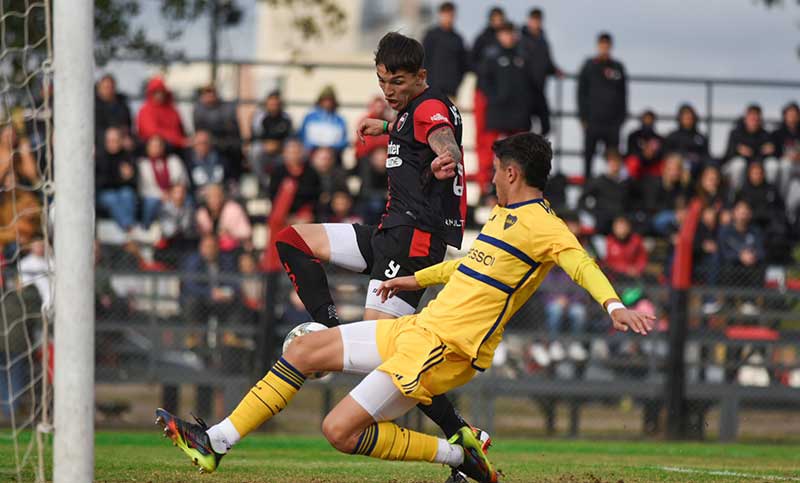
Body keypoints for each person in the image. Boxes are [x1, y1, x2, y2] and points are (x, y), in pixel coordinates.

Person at [155, 132, 654, 482]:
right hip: (419, 327)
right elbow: (469, 266)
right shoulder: (504, 218)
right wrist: (415, 278)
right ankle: (215, 442)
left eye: (496, 171)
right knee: (306, 351)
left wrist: (612, 304)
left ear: (511, 171)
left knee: (338, 431)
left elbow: (581, 263)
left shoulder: (545, 226)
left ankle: (458, 453)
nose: (490, 179)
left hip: (445, 349)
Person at [272, 33, 478, 482]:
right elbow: (420, 131)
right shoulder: (410, 110)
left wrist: (449, 156)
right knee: (292, 240)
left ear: (421, 77)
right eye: (383, 80)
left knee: (397, 357)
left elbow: (441, 136)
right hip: (389, 232)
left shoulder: (429, 108)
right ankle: (329, 329)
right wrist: (385, 127)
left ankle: (463, 438)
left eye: (398, 81)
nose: (388, 90)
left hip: (414, 242)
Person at [578, 32, 627, 178]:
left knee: (613, 158)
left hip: (612, 122)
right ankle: (587, 189)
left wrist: (621, 119)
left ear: (610, 46)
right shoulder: (589, 66)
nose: (604, 48)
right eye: (602, 45)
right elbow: (581, 92)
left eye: (607, 45)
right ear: (598, 46)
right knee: (588, 157)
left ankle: (612, 187)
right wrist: (583, 117)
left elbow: (623, 94)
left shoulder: (618, 67)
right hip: (593, 121)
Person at [471, 6, 506, 192]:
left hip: (504, 102)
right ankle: (484, 182)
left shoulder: (513, 47)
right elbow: (472, 62)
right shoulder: (483, 40)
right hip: (486, 96)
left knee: (507, 142)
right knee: (484, 139)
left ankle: (503, 182)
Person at [520, 8, 561, 136]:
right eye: (534, 20)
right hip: (525, 91)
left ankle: (535, 149)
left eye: (538, 20)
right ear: (529, 21)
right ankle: (527, 151)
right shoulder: (521, 40)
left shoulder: (543, 41)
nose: (536, 23)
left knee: (546, 125)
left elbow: (547, 62)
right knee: (523, 125)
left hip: (540, 90)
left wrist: (555, 70)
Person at [722, 104, 776, 191]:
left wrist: (771, 151)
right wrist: (738, 150)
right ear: (745, 118)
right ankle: (736, 196)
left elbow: (770, 153)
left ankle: (770, 195)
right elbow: (727, 155)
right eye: (751, 117)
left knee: (772, 164)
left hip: (757, 165)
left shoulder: (765, 134)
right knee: (739, 164)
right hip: (736, 166)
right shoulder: (735, 133)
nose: (754, 120)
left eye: (756, 118)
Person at [422, 2, 469, 99]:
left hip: (452, 91)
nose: (448, 18)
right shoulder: (431, 36)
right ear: (440, 15)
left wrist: (457, 82)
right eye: (446, 15)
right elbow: (423, 60)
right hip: (433, 89)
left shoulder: (458, 39)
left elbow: (464, 64)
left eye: (451, 15)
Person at [136, 76, 188, 150]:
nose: (159, 95)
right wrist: (178, 140)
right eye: (156, 92)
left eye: (161, 92)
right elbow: (151, 132)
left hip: (176, 145)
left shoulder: (172, 109)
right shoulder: (145, 110)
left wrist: (184, 140)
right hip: (157, 147)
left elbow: (180, 128)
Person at [297, 86, 348, 155]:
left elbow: (343, 141)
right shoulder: (310, 117)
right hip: (311, 155)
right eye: (325, 100)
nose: (327, 103)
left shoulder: (339, 120)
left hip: (332, 156)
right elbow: (302, 137)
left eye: (330, 100)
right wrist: (315, 148)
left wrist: (330, 148)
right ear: (320, 101)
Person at [664, 103, 709, 178]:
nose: (688, 119)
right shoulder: (673, 136)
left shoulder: (701, 137)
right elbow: (666, 154)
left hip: (697, 168)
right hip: (677, 169)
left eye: (690, 117)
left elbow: (706, 156)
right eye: (685, 117)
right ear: (680, 118)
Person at [94, 74, 132, 148]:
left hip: (120, 140)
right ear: (99, 88)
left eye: (111, 87)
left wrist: (123, 136)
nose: (108, 90)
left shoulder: (122, 104)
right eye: (105, 87)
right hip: (100, 142)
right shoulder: (93, 106)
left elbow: (127, 125)